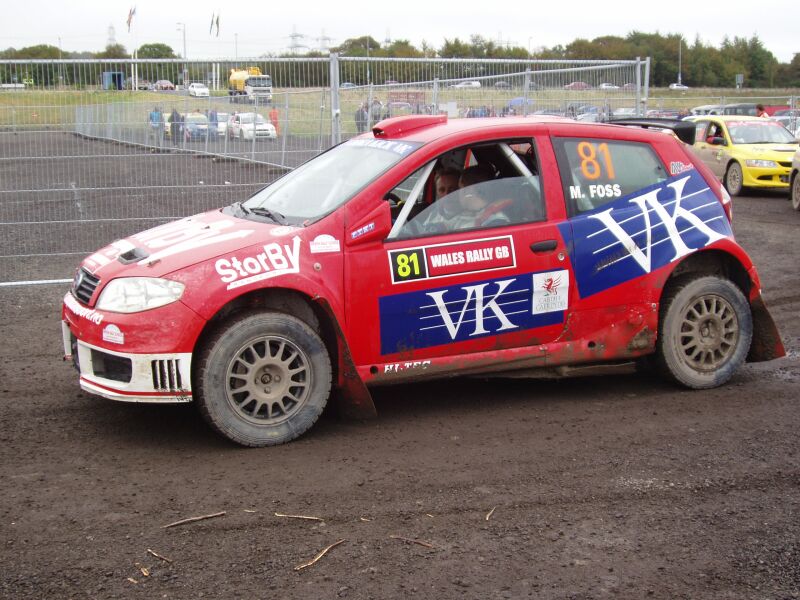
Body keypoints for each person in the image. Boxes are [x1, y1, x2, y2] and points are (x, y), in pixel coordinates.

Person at [417, 164, 507, 233]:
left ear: (469, 192)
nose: (448, 195)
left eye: (457, 189)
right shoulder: (466, 215)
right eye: (441, 190)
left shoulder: (493, 222)